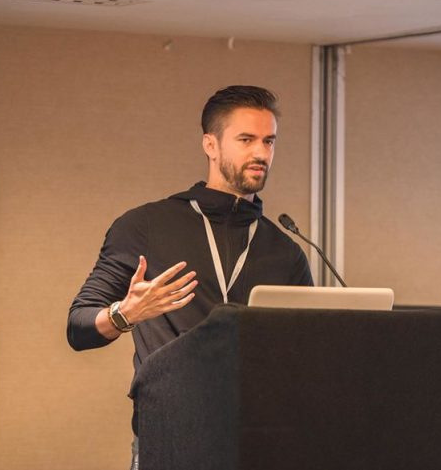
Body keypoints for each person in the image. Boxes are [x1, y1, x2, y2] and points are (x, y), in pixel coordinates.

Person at [66, 85, 314, 469]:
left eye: (269, 141)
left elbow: (308, 350)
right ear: (210, 145)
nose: (261, 153)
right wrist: (125, 314)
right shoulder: (146, 226)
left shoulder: (285, 251)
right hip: (170, 440)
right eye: (246, 139)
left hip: (259, 443)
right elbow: (78, 327)